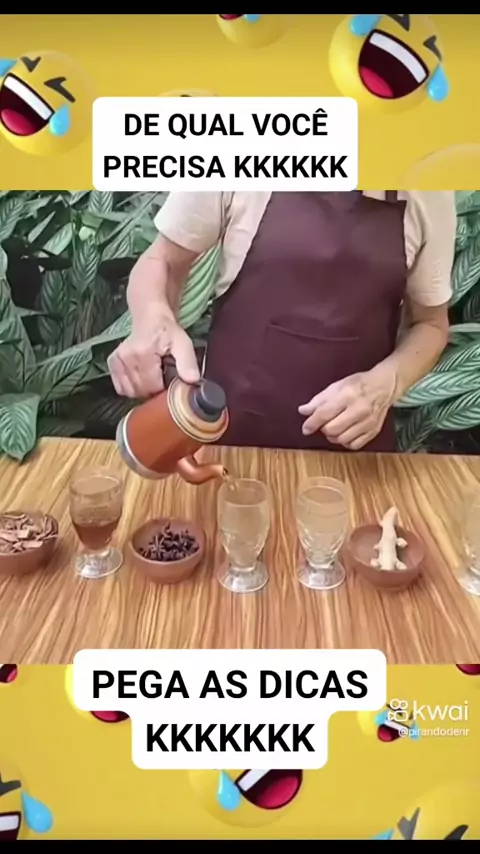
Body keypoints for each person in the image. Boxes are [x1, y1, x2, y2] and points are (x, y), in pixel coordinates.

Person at [108, 191, 455, 452]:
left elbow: (431, 324)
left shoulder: (427, 188)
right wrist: (153, 319)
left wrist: (387, 383)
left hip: (357, 458)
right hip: (226, 444)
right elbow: (163, 260)